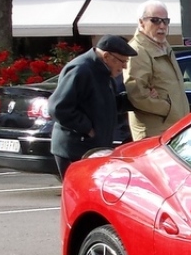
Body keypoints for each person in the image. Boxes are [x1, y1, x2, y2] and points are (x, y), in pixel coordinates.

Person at [48, 35, 136, 179]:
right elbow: (58, 108)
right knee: (80, 195)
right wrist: (87, 128)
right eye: (122, 61)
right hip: (76, 149)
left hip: (93, 148)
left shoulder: (104, 72)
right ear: (106, 56)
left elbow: (108, 104)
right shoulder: (81, 69)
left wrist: (139, 99)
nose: (124, 66)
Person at [124, 0, 190, 140]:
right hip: (154, 133)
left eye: (165, 21)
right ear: (141, 22)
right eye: (155, 20)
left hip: (174, 128)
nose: (162, 26)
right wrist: (170, 109)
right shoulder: (137, 50)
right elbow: (138, 94)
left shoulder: (163, 45)